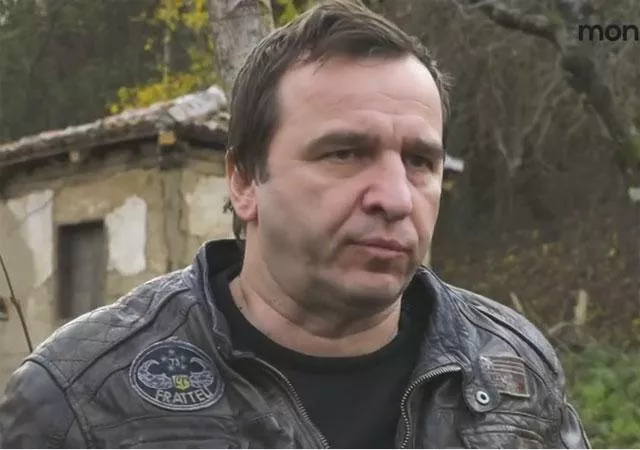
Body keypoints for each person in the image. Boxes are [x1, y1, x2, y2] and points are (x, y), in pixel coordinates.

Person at [0, 1, 590, 448]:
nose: (394, 197)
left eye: (419, 161)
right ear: (244, 182)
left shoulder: (511, 367)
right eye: (344, 153)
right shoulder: (81, 399)